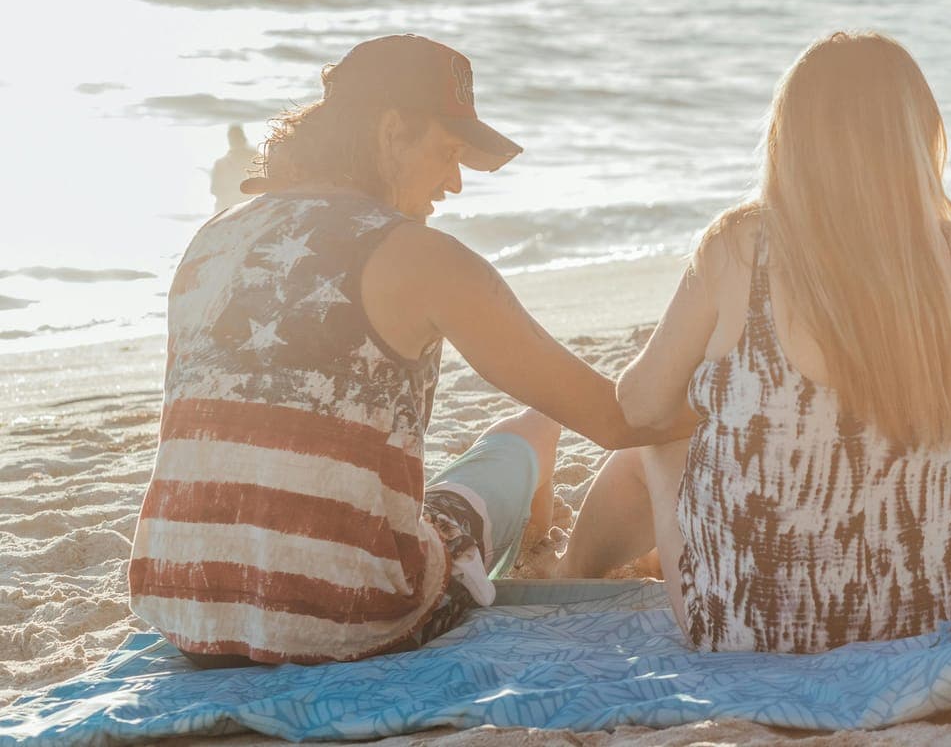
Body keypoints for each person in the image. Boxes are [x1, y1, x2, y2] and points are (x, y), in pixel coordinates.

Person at [128, 34, 671, 666]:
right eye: (449, 152)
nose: (456, 182)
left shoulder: (210, 240)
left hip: (184, 605)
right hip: (347, 616)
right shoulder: (421, 257)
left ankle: (537, 542)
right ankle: (550, 552)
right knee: (534, 429)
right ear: (391, 133)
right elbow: (613, 419)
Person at [553, 31, 951, 654]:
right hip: (930, 607)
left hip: (757, 628)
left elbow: (640, 407)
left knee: (655, 447)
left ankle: (571, 578)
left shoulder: (741, 245)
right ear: (917, 138)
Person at [209, 124, 257, 213]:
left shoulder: (256, 158)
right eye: (234, 138)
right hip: (230, 209)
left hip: (244, 209)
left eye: (238, 138)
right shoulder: (220, 164)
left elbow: (214, 190)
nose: (236, 141)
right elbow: (214, 190)